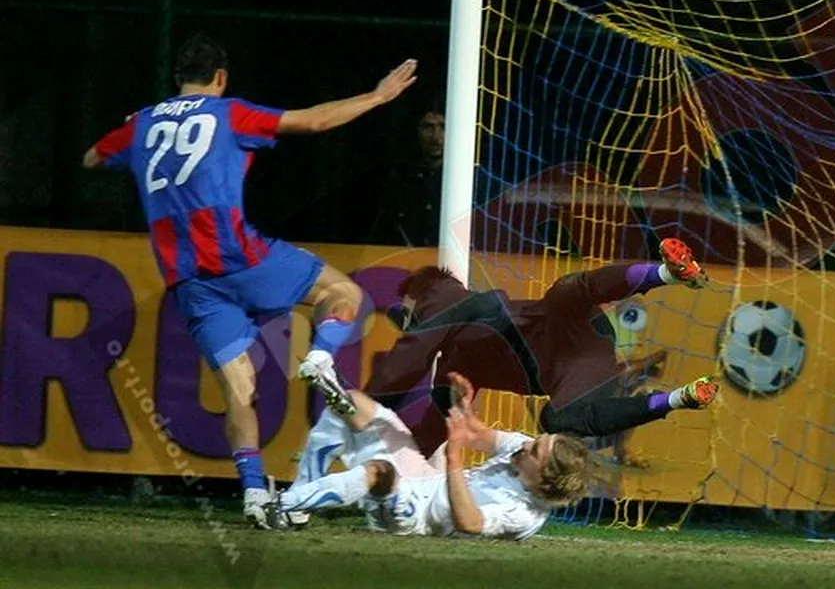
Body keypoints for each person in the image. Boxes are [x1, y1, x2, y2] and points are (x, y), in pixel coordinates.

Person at [81, 32, 418, 527]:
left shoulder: (143, 124)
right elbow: (316, 120)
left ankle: (256, 496)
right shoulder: (228, 112)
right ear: (220, 77)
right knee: (343, 292)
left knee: (239, 390)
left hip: (190, 281)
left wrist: (137, 125)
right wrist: (378, 96)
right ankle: (322, 355)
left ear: (178, 78)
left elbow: (91, 158)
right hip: (244, 259)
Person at [361, 237, 719, 462]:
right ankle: (678, 399)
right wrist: (381, 476)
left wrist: (361, 408)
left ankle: (668, 273)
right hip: (582, 368)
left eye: (406, 310)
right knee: (557, 421)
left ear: (419, 299)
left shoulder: (443, 298)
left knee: (565, 292)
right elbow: (430, 433)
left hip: (567, 326)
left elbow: (405, 361)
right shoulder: (454, 369)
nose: (405, 321)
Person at [268, 372, 592, 540]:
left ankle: (280, 505)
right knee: (353, 405)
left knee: (379, 472)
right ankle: (300, 501)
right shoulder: (522, 450)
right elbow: (476, 434)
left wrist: (454, 458)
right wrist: (463, 406)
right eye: (536, 440)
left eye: (535, 450)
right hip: (425, 477)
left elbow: (469, 523)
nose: (526, 445)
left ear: (545, 479)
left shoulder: (523, 515)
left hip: (416, 516)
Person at [368, 104, 445, 246]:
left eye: (443, 127)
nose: (436, 137)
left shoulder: (474, 180)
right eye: (428, 127)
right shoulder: (397, 176)